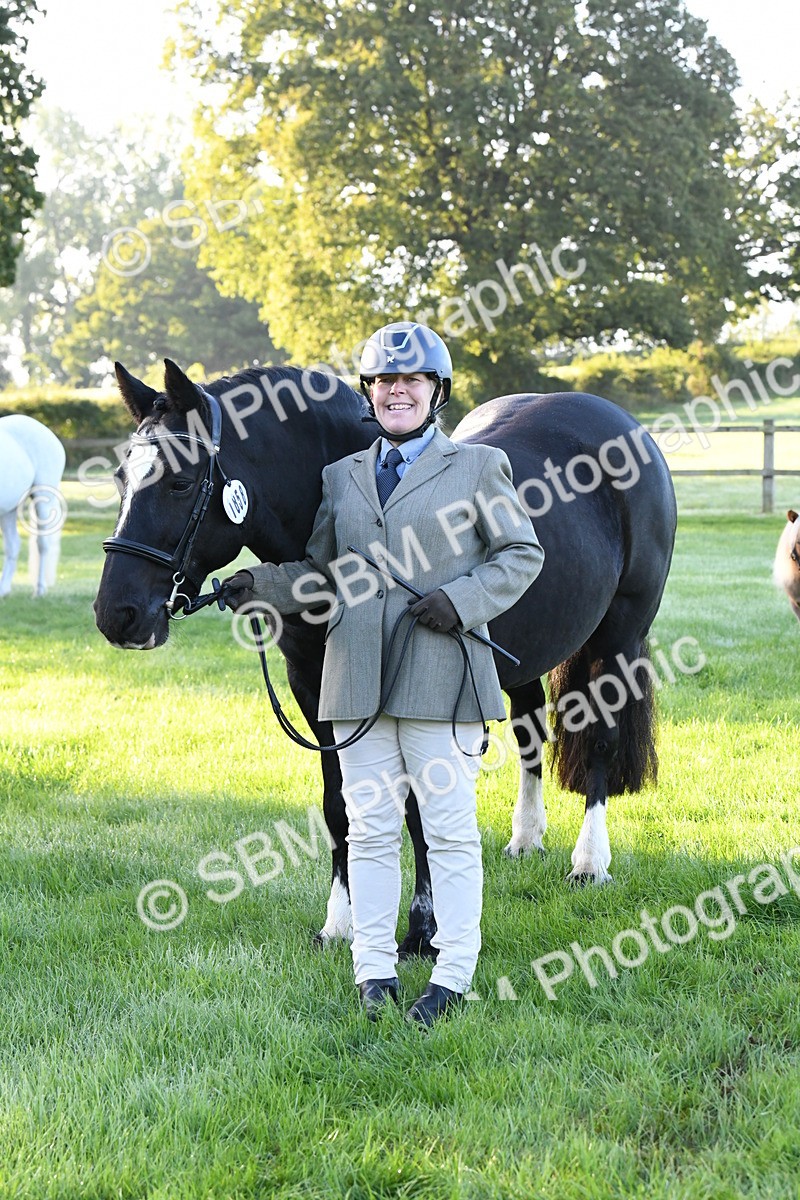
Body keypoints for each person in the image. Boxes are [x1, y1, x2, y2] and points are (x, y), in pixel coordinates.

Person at [223, 321, 544, 1025]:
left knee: (450, 828)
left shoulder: (480, 467)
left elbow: (521, 555)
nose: (398, 391)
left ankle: (452, 973)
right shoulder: (340, 479)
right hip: (357, 676)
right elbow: (321, 571)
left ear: (437, 392)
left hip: (441, 670)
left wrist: (461, 601)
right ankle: (374, 970)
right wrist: (261, 585)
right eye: (385, 382)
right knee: (368, 829)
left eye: (413, 380)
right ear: (369, 394)